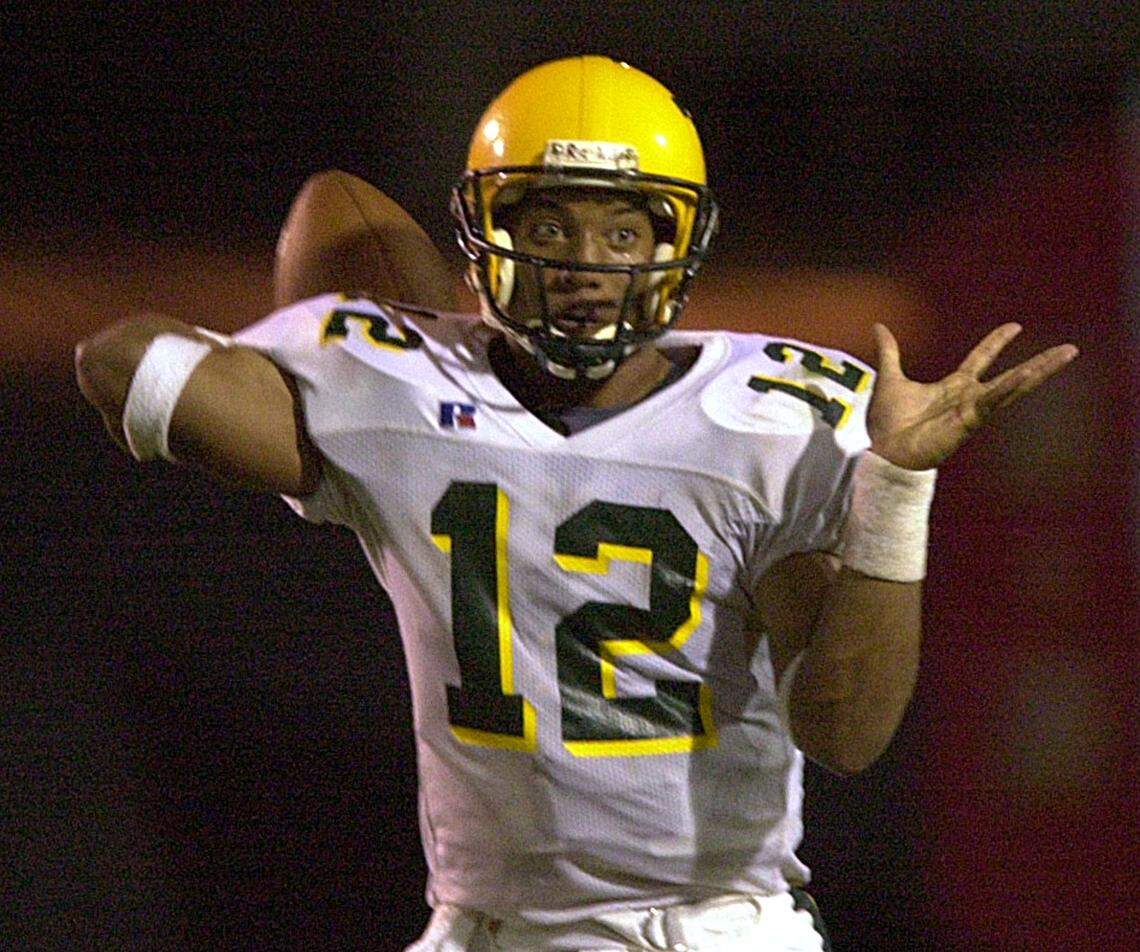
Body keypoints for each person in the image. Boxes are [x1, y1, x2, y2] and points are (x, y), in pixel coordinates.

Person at [75, 56, 1077, 951]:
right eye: (547, 223)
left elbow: (848, 731)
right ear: (485, 234)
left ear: (676, 243)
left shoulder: (772, 422)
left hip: (709, 928)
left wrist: (896, 486)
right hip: (485, 925)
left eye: (621, 227)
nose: (585, 264)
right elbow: (122, 366)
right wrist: (318, 341)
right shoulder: (396, 386)